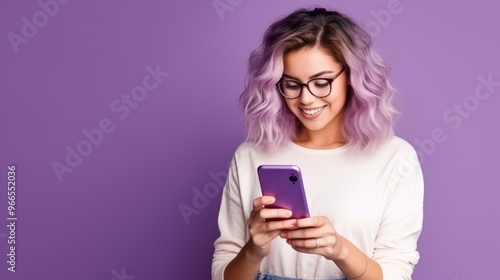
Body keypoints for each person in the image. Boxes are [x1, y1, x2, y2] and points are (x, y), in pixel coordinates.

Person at [212, 7, 424, 280]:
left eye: (321, 82)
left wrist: (340, 249)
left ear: (352, 77)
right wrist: (254, 250)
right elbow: (222, 272)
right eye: (291, 84)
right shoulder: (250, 155)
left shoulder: (396, 157)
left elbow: (396, 273)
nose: (307, 99)